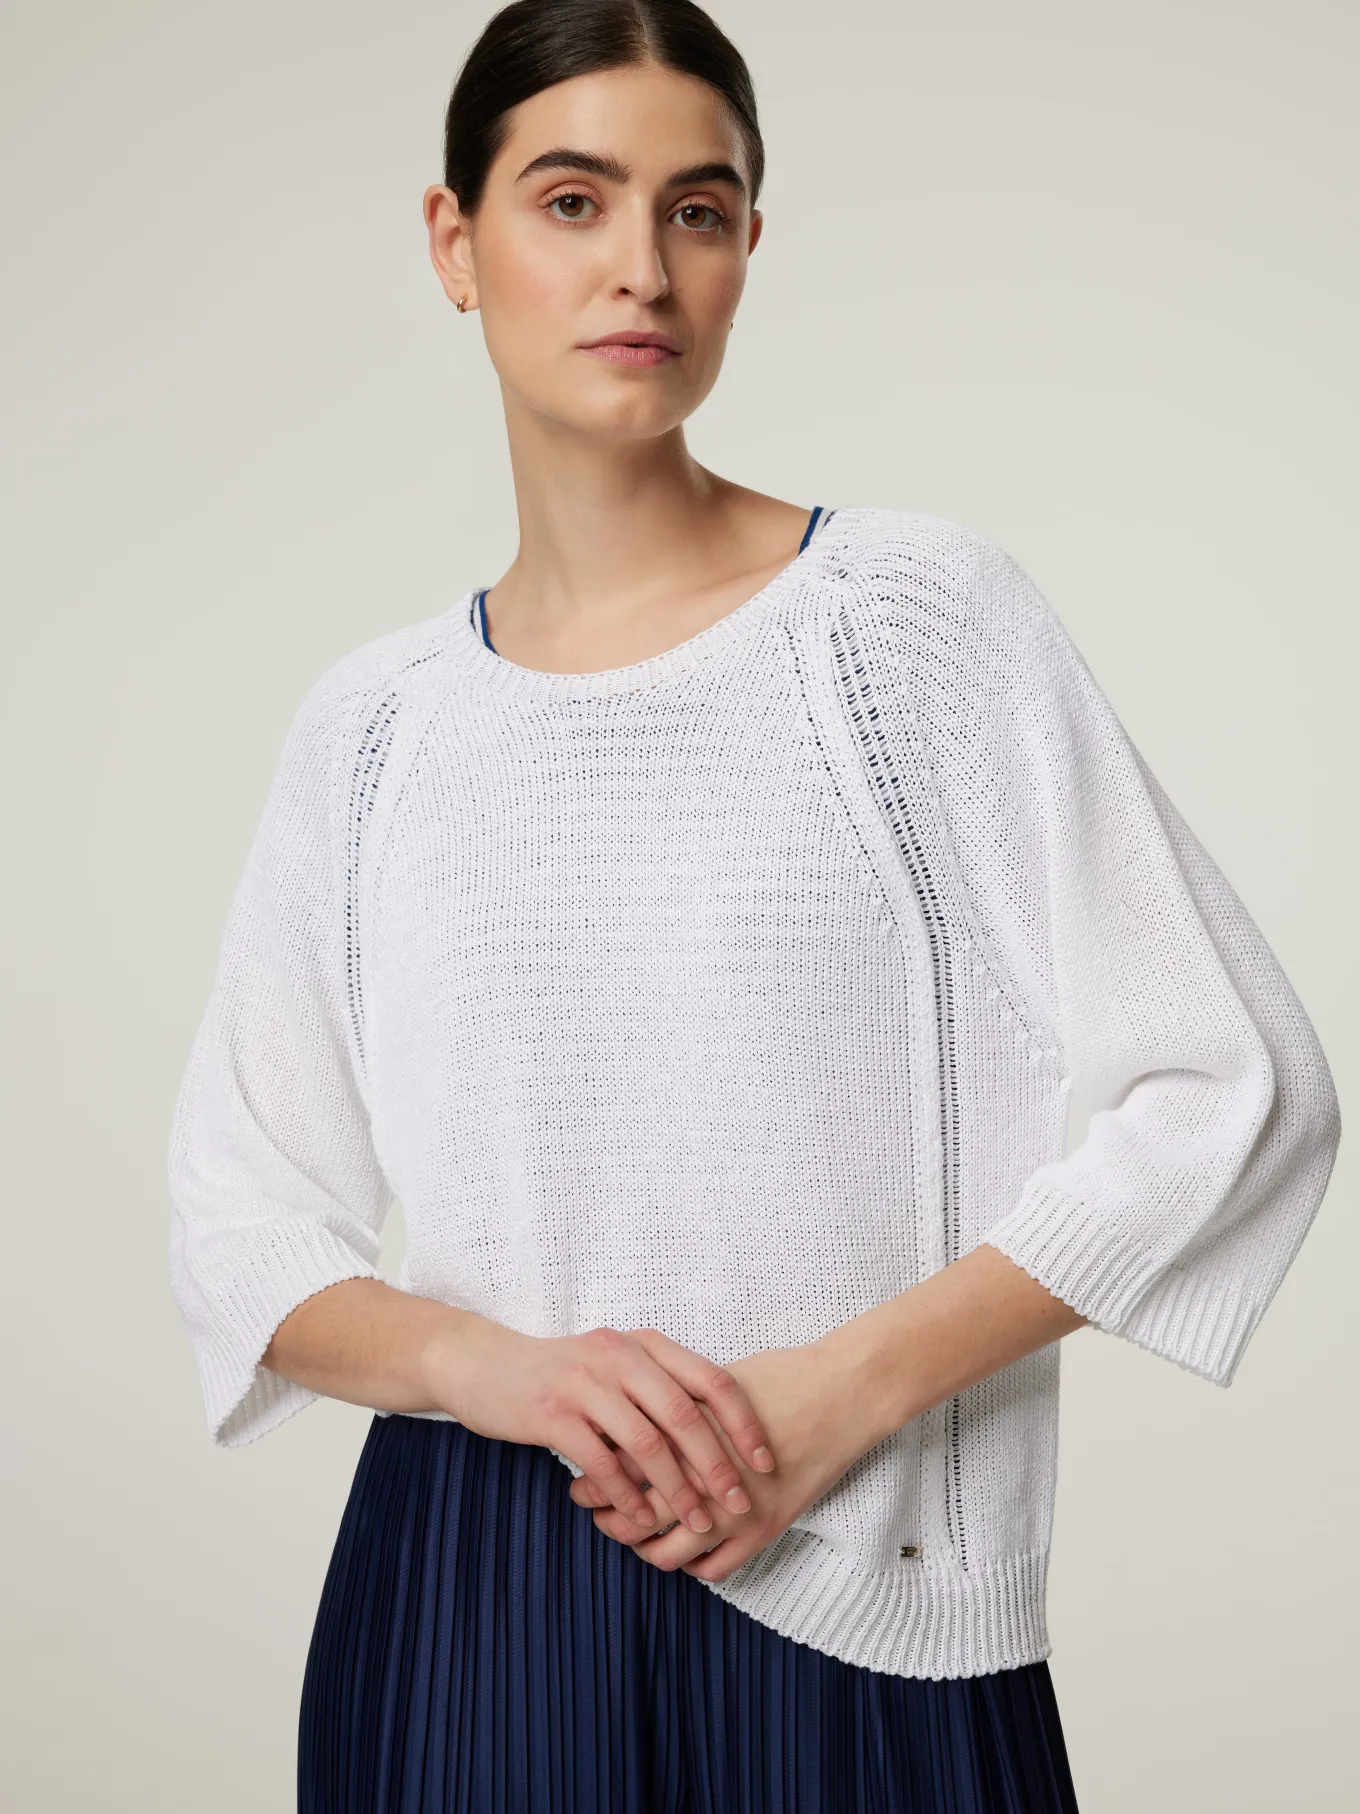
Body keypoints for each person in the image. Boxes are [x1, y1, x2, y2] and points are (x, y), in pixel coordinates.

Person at [165, 2, 1342, 1809]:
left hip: (868, 1564)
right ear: (454, 243)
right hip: (470, 1590)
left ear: (746, 250)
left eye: (697, 211)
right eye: (572, 200)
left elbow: (1233, 1083)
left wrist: (846, 1390)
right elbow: (239, 1220)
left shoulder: (911, 623)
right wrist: (492, 1365)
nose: (642, 266)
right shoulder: (375, 729)